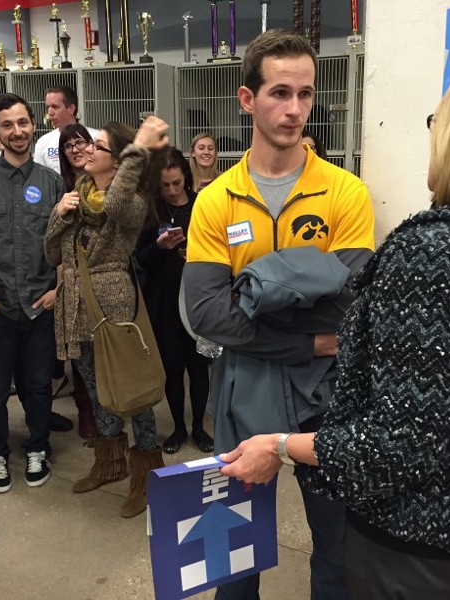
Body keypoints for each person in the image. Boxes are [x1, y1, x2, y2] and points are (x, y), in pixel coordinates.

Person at [219, 55, 450, 600]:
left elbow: (394, 448)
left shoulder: (433, 253)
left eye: (439, 121)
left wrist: (279, 446)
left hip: (418, 543)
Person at [183, 30, 375, 599]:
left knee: (337, 552)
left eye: (306, 94)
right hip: (246, 386)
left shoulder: (345, 192)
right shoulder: (216, 199)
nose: (295, 110)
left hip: (331, 392)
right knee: (233, 559)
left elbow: (350, 305)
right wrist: (308, 337)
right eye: (280, 93)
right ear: (247, 99)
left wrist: (255, 293)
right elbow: (207, 314)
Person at [45, 117, 168, 518]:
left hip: (112, 302)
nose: (87, 151)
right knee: (96, 390)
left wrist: (138, 152)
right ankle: (109, 462)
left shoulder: (130, 201)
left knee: (130, 390)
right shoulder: (76, 197)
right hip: (76, 305)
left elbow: (115, 203)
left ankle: (147, 477)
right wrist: (58, 214)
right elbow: (51, 254)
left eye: (97, 147)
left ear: (118, 162)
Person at [0, 92, 63, 494]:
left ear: (33, 124)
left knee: (38, 386)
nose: (17, 132)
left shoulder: (52, 183)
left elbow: (64, 244)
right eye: (7, 125)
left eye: (23, 123)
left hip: (39, 303)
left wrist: (57, 289)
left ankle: (38, 447)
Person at [134, 148, 213, 454]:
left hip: (198, 302)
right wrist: (158, 246)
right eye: (165, 185)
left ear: (186, 178)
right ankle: (179, 427)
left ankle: (199, 428)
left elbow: (219, 250)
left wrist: (194, 253)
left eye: (176, 184)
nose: (170, 190)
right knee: (173, 368)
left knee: (199, 367)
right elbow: (139, 259)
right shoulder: (151, 211)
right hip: (164, 302)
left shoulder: (201, 206)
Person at [55, 123, 97, 440]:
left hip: (104, 283)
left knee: (108, 355)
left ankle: (110, 417)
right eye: (69, 146)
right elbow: (52, 246)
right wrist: (59, 211)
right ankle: (87, 414)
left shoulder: (104, 182)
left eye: (81, 142)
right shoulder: (60, 187)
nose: (76, 149)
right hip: (72, 283)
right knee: (80, 354)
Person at [34, 86, 99, 174]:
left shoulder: (96, 137)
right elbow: (39, 177)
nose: (50, 113)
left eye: (55, 107)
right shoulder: (43, 143)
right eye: (47, 107)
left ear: (71, 109)